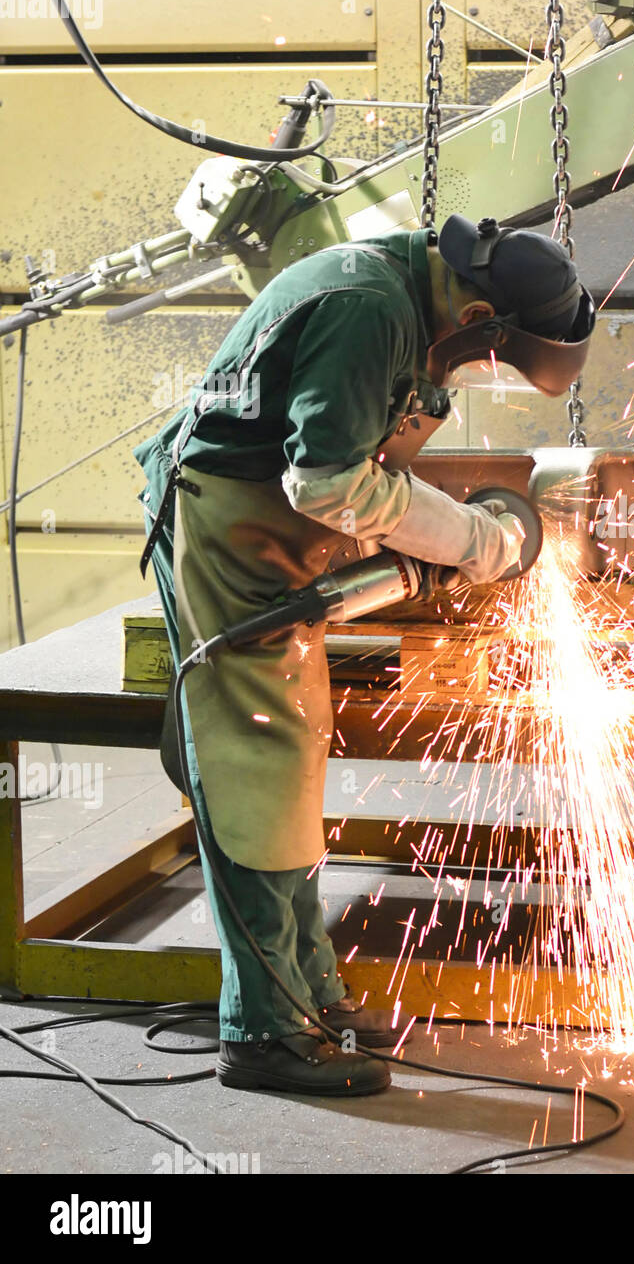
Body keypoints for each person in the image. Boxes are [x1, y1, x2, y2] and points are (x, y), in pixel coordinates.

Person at [135, 215, 594, 1095]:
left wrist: (446, 533)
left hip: (273, 530)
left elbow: (351, 469)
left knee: (291, 757)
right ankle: (265, 1032)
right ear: (481, 311)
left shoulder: (409, 294)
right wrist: (474, 541)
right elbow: (327, 482)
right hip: (231, 527)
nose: (478, 368)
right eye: (492, 355)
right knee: (254, 764)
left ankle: (308, 993)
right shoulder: (368, 306)